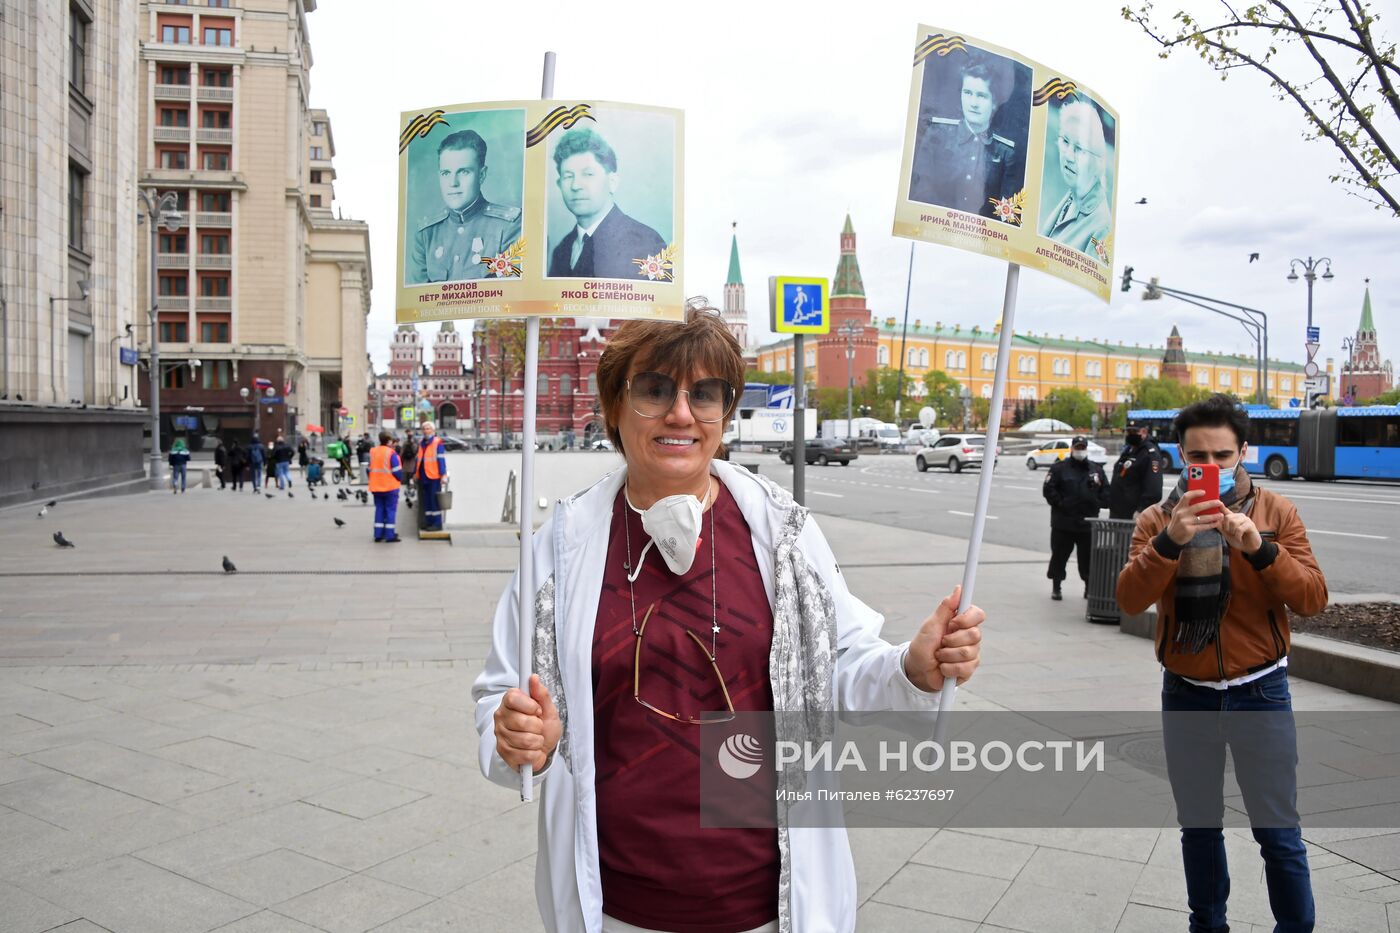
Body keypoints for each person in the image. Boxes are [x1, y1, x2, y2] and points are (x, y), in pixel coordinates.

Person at [473, 307, 987, 933]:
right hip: (617, 906)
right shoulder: (559, 549)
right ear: (614, 407)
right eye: (654, 389)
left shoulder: (782, 534)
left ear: (724, 414)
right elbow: (504, 693)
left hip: (762, 906)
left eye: (704, 394)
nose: (681, 413)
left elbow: (842, 663)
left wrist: (914, 667)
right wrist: (519, 738)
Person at [1117, 394, 1327, 933]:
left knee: (1278, 832)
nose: (1209, 469)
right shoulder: (1156, 518)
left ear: (1245, 454)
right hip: (1186, 693)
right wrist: (1170, 541)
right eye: (1197, 458)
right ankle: (1207, 926)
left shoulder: (1275, 512)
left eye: (1222, 456)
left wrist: (1260, 548)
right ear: (1179, 455)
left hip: (1261, 692)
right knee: (1200, 829)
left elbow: (1312, 598)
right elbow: (1128, 598)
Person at [547, 127, 667, 279]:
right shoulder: (562, 249)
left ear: (612, 182)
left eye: (588, 174)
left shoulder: (647, 244)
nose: (575, 185)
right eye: (568, 176)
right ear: (559, 184)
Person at [909, 59, 1022, 218]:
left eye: (982, 96)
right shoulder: (937, 135)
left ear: (994, 102)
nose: (973, 103)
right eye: (967, 93)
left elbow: (1008, 214)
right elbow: (921, 190)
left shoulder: (1006, 153)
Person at [409, 129, 522, 284]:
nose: (453, 183)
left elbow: (508, 296)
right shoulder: (426, 234)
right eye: (446, 173)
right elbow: (418, 301)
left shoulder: (509, 226)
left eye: (463, 172)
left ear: (481, 175)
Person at [1039, 98, 1113, 255]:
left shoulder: (1102, 227)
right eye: (1065, 141)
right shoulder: (1074, 195)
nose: (1069, 156)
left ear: (1098, 161)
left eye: (1079, 149)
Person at [1041, 435, 1109, 600]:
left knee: (1087, 559)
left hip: (1087, 523)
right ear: (1072, 449)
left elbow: (1107, 492)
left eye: (1082, 448)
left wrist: (1096, 502)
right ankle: (1056, 587)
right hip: (1064, 523)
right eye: (1077, 448)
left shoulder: (1096, 470)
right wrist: (1061, 503)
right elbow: (1048, 489)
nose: (1080, 451)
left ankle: (1088, 587)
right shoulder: (1059, 468)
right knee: (1059, 556)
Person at [1109, 424, 1164, 520]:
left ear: (1144, 432)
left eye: (1134, 432)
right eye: (1129, 432)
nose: (1130, 435)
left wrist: (1141, 510)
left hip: (1135, 515)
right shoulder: (1129, 449)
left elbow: (1154, 488)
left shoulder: (1150, 453)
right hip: (1119, 513)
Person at [367, 431, 405, 543]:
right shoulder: (391, 453)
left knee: (379, 509)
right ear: (389, 441)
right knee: (390, 510)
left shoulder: (373, 451)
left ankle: (378, 534)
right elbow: (397, 472)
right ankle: (389, 535)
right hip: (390, 487)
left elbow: (368, 469)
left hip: (376, 487)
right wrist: (400, 479)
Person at [415, 421, 448, 530]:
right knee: (427, 500)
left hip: (434, 475)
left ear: (433, 431)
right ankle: (429, 522)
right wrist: (416, 473)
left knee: (434, 500)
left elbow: (441, 459)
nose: (425, 431)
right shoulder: (421, 443)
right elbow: (419, 460)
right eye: (424, 429)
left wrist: (443, 475)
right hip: (424, 475)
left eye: (428, 429)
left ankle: (437, 524)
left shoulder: (437, 442)